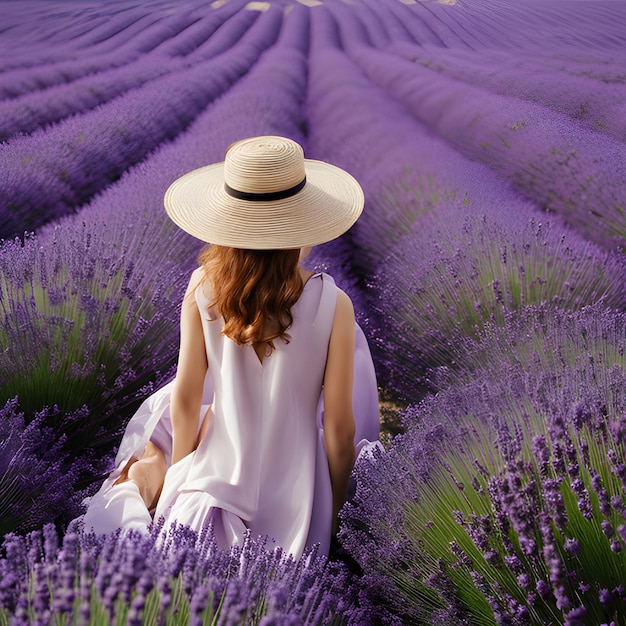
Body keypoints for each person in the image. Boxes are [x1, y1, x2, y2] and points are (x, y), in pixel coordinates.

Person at [82, 135, 380, 558]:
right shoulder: (335, 304)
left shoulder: (203, 289)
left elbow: (185, 400)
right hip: (297, 509)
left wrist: (175, 485)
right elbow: (340, 429)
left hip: (210, 494)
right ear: (302, 223)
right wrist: (332, 517)